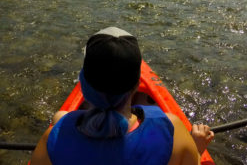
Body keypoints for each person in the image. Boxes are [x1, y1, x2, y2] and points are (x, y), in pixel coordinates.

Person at [30, 27, 214, 165]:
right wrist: (196, 148)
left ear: (84, 86)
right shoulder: (172, 130)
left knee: (59, 117)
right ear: (136, 86)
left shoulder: (53, 138)